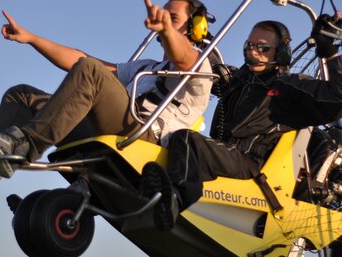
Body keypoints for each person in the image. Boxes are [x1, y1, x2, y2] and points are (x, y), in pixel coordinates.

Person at [0, 0, 213, 183]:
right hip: (115, 130)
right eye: (164, 16)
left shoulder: (199, 67)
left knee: (91, 71)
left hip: (145, 141)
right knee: (22, 95)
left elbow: (182, 56)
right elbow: (79, 60)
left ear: (196, 27)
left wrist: (166, 30)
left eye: (173, 19)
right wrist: (32, 39)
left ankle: (24, 144)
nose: (165, 22)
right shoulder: (147, 67)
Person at [140, 15, 342, 231]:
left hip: (250, 165)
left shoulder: (289, 88)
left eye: (263, 48)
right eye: (250, 46)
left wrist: (329, 52)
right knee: (172, 140)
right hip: (225, 154)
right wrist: (193, 29)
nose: (254, 52)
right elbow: (208, 66)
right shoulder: (237, 80)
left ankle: (175, 201)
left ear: (280, 53)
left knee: (186, 139)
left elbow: (337, 98)